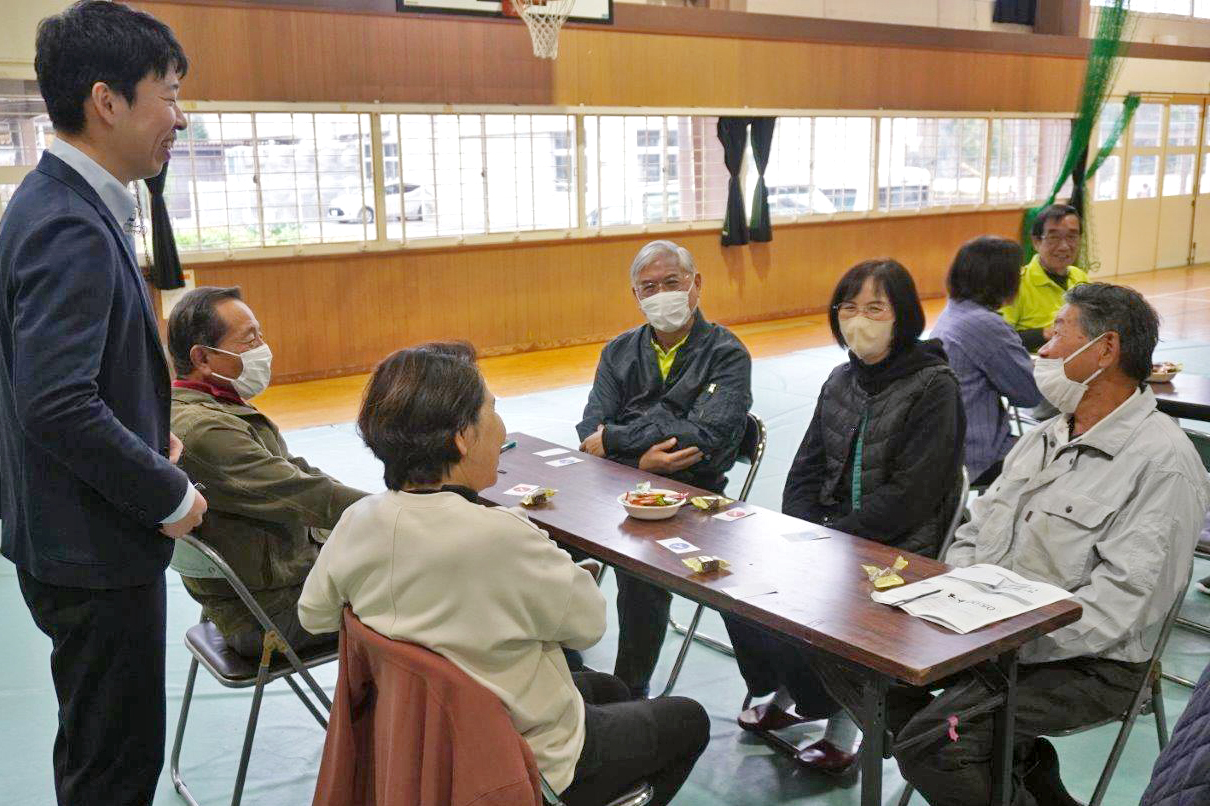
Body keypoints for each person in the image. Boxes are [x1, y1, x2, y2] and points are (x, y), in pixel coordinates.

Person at [822, 283, 1209, 806]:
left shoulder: (1163, 464)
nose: (1042, 350)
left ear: (1105, 349)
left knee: (937, 744)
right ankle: (1020, 770)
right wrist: (957, 604)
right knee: (840, 647)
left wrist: (1001, 638)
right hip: (984, 631)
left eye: (1058, 334)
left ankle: (995, 764)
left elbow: (1120, 608)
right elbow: (972, 533)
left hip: (1088, 663)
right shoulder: (1043, 437)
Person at [298, 344, 710, 806]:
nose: (501, 427)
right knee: (688, 719)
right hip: (517, 758)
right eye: (492, 410)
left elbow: (314, 615)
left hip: (419, 740)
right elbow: (588, 625)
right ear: (461, 437)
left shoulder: (357, 521)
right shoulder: (501, 536)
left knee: (609, 688)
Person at [0, 4, 206, 804]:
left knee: (99, 750)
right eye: (170, 95)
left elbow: (56, 380)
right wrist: (168, 491)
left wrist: (148, 437)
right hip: (94, 547)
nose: (180, 118)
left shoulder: (57, 201)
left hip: (70, 531)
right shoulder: (69, 224)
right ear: (107, 101)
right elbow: (57, 404)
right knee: (113, 770)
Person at [724, 258, 966, 775]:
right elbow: (805, 468)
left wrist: (833, 539)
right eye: (849, 307)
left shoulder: (934, 386)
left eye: (875, 308)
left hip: (897, 547)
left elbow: (912, 495)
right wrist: (802, 529)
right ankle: (787, 688)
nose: (859, 320)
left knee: (814, 599)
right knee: (736, 584)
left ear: (902, 316)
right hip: (830, 535)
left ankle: (841, 718)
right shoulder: (841, 378)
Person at [575, 239, 753, 699]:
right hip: (614, 485)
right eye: (649, 287)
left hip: (691, 496)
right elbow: (589, 429)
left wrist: (617, 439)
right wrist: (640, 460)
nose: (661, 295)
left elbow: (705, 438)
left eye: (671, 282)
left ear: (696, 284)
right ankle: (561, 664)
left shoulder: (727, 354)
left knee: (641, 567)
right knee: (538, 537)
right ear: (636, 296)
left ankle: (630, 692)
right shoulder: (619, 351)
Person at [167, 286, 368, 658]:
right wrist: (399, 513)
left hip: (268, 590)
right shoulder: (205, 430)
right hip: (271, 615)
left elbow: (297, 474)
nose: (263, 348)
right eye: (249, 340)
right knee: (428, 581)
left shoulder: (205, 406)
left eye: (260, 335)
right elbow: (304, 495)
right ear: (203, 357)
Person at [931, 236, 1042, 487]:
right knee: (1061, 456)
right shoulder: (985, 324)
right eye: (1018, 272)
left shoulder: (955, 309)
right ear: (1002, 278)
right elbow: (1029, 395)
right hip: (978, 455)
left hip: (950, 447)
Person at [1000, 203, 1089, 352]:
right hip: (1037, 362)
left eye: (1072, 237)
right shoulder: (1015, 283)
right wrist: (1044, 334)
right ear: (1036, 242)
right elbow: (999, 338)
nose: (1064, 246)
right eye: (1054, 237)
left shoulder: (1080, 277)